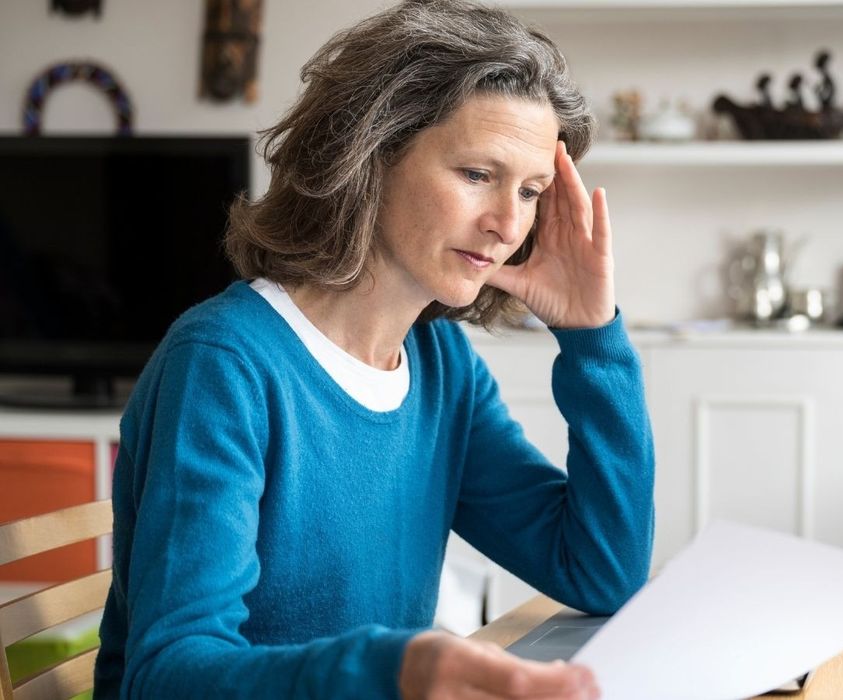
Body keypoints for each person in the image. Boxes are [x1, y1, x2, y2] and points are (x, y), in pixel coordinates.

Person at [92, 1, 655, 698]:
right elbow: (167, 676)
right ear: (370, 155)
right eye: (478, 174)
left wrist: (592, 340)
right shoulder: (224, 364)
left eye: (531, 191)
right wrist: (396, 670)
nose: (508, 224)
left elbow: (601, 570)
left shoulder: (441, 368)